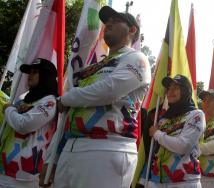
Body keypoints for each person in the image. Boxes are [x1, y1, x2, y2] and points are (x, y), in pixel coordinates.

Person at [39, 6, 151, 188]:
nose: (109, 23)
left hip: (106, 148)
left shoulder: (137, 59)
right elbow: (70, 112)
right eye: (107, 21)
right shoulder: (92, 69)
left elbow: (109, 90)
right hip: (70, 146)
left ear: (132, 29)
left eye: (116, 20)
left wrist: (66, 98)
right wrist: (51, 158)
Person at [0, 58, 58, 188]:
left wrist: (8, 109)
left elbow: (24, 125)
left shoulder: (50, 102)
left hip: (24, 178)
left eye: (34, 72)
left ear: (45, 76)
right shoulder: (23, 100)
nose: (29, 75)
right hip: (4, 171)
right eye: (29, 72)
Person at [145, 74, 205, 188]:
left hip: (185, 181)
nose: (171, 91)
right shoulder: (163, 119)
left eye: (176, 88)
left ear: (185, 91)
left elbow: (183, 146)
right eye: (169, 89)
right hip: (157, 180)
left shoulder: (196, 115)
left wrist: (157, 134)